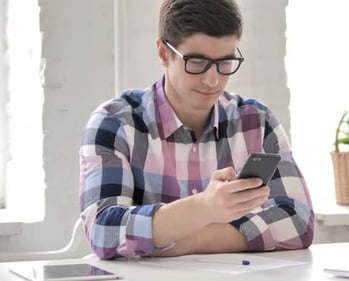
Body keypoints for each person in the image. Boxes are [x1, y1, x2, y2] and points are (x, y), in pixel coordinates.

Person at [79, 0, 315, 260]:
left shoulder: (257, 122)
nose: (212, 80)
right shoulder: (115, 123)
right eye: (197, 62)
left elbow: (299, 221)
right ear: (163, 53)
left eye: (225, 62)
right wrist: (204, 207)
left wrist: (183, 241)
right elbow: (103, 230)